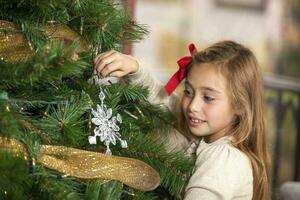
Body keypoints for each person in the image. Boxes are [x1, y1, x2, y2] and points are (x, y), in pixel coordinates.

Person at [93, 40, 271, 200]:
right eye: (188, 91)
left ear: (240, 105)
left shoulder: (224, 159)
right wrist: (135, 68)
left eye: (208, 97)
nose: (192, 106)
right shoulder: (207, 135)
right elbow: (164, 101)